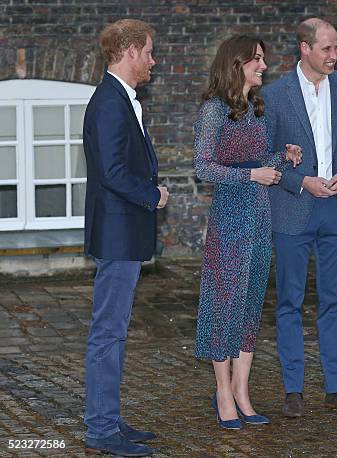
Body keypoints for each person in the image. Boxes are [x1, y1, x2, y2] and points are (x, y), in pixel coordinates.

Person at [261, 18, 337, 417]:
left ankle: (336, 387)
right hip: (293, 208)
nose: (334, 56)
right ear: (304, 49)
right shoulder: (274, 95)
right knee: (289, 302)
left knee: (334, 302)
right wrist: (301, 181)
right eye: (327, 49)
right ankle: (294, 389)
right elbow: (264, 156)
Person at [193, 35, 302, 430]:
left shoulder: (256, 109)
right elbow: (203, 167)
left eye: (263, 59)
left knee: (250, 306)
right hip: (229, 221)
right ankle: (222, 393)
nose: (263, 66)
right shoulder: (213, 111)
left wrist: (281, 159)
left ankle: (242, 391)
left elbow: (257, 164)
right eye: (256, 59)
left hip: (259, 219)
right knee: (224, 306)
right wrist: (251, 174)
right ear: (235, 63)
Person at [83, 19, 168, 457]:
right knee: (107, 333)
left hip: (123, 233)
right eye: (150, 52)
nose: (153, 61)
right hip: (118, 233)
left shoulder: (121, 100)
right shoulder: (111, 103)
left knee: (113, 332)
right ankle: (100, 430)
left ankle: (109, 419)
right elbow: (114, 172)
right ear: (131, 51)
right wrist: (153, 194)